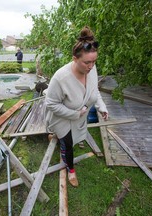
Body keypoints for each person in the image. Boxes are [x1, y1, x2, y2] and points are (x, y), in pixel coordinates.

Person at [45, 26, 108, 187]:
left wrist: (102, 106)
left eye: (94, 61)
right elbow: (50, 103)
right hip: (62, 118)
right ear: (74, 59)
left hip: (80, 114)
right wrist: (75, 114)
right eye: (87, 62)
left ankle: (56, 137)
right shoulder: (61, 78)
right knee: (67, 144)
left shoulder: (91, 69)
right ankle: (70, 170)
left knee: (73, 139)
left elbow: (94, 90)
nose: (91, 66)